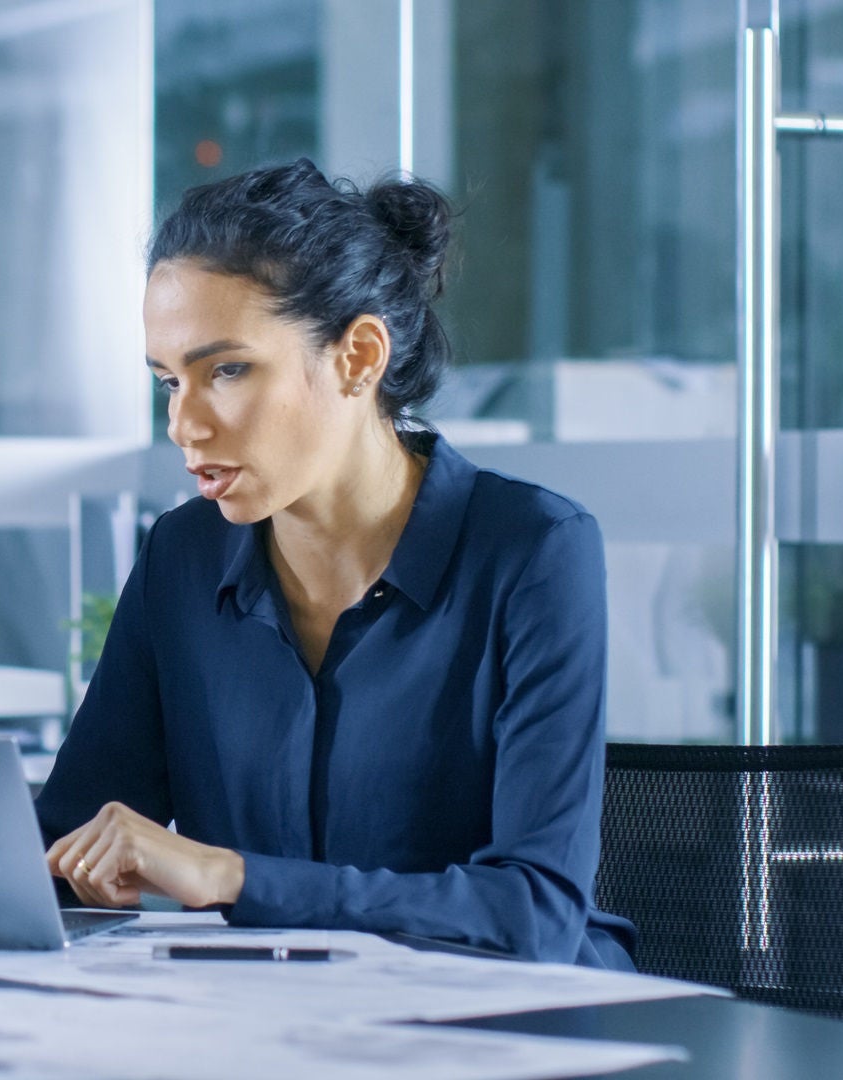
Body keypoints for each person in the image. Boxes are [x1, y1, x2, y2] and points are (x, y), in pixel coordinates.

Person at [35, 159, 636, 968]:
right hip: (281, 1031)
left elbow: (534, 915)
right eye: (169, 382)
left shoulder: (532, 552)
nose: (185, 424)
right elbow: (69, 839)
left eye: (227, 371)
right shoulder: (183, 561)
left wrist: (232, 877)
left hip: (502, 1028)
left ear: (358, 356)